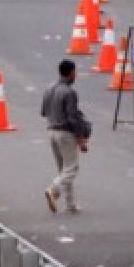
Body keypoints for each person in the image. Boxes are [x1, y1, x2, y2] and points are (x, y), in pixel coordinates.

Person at [41, 59, 91, 213]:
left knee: (63, 169)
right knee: (71, 169)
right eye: (75, 72)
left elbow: (43, 112)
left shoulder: (49, 89)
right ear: (71, 73)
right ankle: (53, 190)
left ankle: (71, 204)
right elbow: (72, 118)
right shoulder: (69, 92)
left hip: (51, 131)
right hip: (65, 133)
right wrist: (81, 138)